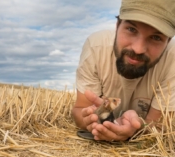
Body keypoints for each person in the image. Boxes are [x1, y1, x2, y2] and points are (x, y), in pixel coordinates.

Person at [72, 0, 175, 142]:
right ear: (117, 25)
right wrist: (95, 121)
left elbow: (158, 127)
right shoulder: (95, 47)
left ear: (168, 42)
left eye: (156, 37)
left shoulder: (172, 59)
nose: (138, 49)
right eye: (132, 29)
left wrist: (136, 128)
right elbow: (80, 109)